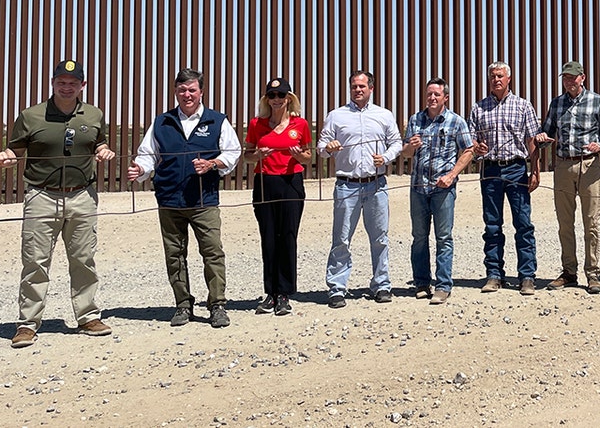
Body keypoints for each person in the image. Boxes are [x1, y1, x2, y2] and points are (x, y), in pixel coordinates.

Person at [0, 60, 116, 348]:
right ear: (53, 82)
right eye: (62, 81)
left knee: (84, 259)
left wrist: (105, 149)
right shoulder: (31, 115)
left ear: (82, 85)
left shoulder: (94, 114)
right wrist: (5, 157)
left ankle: (87, 317)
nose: (67, 86)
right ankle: (27, 323)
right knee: (35, 261)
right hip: (41, 196)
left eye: (73, 82)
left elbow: (100, 143)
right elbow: (15, 149)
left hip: (82, 195)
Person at [128, 68, 241, 328]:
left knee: (212, 252)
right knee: (175, 254)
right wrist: (141, 169)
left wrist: (214, 163)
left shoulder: (217, 120)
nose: (187, 95)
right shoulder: (162, 122)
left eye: (192, 90)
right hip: (169, 200)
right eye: (182, 90)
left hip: (204, 200)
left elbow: (233, 152)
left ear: (201, 92)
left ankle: (217, 305)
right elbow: (148, 154)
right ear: (175, 92)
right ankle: (182, 305)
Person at [316, 70, 403, 308]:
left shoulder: (384, 115)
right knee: (341, 239)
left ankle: (382, 285)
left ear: (371, 88)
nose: (358, 90)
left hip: (377, 184)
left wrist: (385, 157)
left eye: (362, 86)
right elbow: (321, 147)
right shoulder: (336, 116)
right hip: (347, 185)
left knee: (380, 238)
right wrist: (329, 147)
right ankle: (337, 287)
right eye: (354, 86)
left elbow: (396, 142)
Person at [536, 61, 600, 295]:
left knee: (591, 222)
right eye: (565, 77)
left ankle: (592, 274)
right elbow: (548, 132)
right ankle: (569, 272)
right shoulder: (557, 103)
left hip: (589, 166)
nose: (569, 81)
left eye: (573, 77)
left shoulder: (597, 101)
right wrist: (542, 137)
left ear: (582, 77)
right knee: (565, 223)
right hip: (563, 166)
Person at [400, 77, 476, 305]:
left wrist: (452, 175)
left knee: (444, 238)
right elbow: (405, 153)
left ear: (446, 97)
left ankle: (443, 285)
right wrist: (410, 147)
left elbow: (469, 150)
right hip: (419, 188)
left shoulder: (455, 122)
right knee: (419, 238)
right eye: (429, 94)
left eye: (436, 94)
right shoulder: (416, 120)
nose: (432, 98)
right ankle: (422, 283)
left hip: (443, 189)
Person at [469, 61, 541, 296]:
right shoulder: (478, 108)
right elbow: (472, 140)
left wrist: (535, 170)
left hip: (516, 170)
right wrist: (477, 148)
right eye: (492, 76)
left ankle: (527, 276)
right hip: (490, 171)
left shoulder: (523, 106)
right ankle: (493, 275)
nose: (496, 80)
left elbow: (532, 140)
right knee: (492, 225)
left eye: (500, 76)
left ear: (509, 79)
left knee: (523, 224)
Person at [243, 78, 312, 317]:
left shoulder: (300, 124)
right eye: (271, 96)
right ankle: (270, 293)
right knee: (269, 238)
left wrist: (298, 155)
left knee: (288, 236)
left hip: (291, 183)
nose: (276, 100)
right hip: (265, 182)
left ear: (289, 98)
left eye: (280, 96)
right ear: (266, 99)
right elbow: (247, 156)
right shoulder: (256, 124)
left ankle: (285, 293)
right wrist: (258, 154)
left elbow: (307, 157)